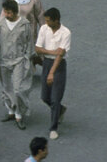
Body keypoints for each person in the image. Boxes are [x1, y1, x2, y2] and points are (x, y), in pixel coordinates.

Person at [0, 0, 34, 130]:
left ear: (14, 12)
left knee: (18, 88)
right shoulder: (0, 24)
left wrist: (28, 59)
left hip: (19, 60)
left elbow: (29, 43)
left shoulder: (25, 25)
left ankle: (19, 113)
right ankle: (11, 111)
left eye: (8, 12)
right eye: (5, 12)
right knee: (6, 87)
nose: (6, 14)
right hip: (3, 60)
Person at [35, 8, 70, 140]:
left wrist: (52, 73)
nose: (46, 22)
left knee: (55, 99)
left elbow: (60, 55)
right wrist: (52, 52)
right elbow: (37, 49)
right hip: (47, 64)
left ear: (56, 20)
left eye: (49, 20)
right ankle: (60, 109)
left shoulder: (66, 33)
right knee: (45, 97)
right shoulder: (44, 29)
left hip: (58, 67)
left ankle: (53, 127)